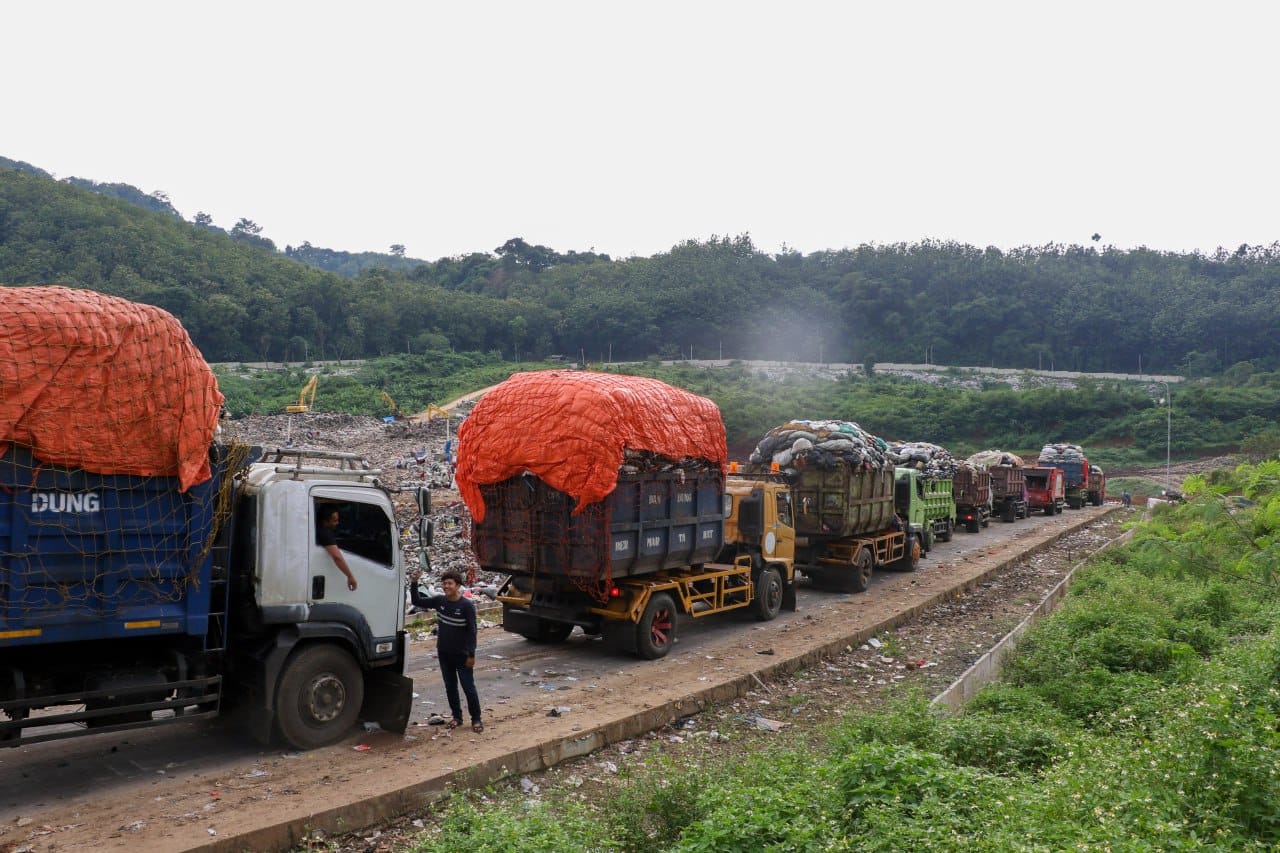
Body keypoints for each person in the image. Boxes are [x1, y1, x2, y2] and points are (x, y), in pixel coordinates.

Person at [410, 568, 484, 733]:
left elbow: (472, 632)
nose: (446, 586)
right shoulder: (439, 601)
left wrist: (471, 654)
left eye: (449, 583)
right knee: (450, 687)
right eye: (444, 583)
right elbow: (416, 601)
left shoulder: (466, 606)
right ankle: (457, 717)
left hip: (463, 655)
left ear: (457, 586)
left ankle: (476, 719)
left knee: (468, 687)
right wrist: (414, 582)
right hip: (444, 653)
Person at [317, 508, 358, 591]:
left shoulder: (322, 529)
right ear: (325, 522)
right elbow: (337, 557)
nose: (337, 523)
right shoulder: (325, 533)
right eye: (334, 521)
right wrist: (350, 576)